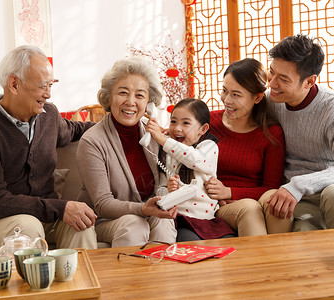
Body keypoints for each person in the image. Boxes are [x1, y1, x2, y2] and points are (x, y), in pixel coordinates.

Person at [0, 45, 97, 250]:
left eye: (51, 85)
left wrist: (118, 125)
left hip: (42, 214)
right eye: (43, 86)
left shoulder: (49, 116)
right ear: (14, 84)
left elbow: (77, 129)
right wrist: (60, 208)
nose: (48, 94)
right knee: (27, 227)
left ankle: (81, 282)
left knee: (82, 224)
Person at [265, 34, 334, 231]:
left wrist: (298, 185)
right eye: (271, 73)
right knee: (303, 235)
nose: (272, 84)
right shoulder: (270, 101)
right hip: (302, 201)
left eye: (283, 79)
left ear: (309, 82)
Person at [76, 57, 177, 247]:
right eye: (123, 93)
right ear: (108, 97)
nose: (130, 102)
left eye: (139, 95)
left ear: (149, 103)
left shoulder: (152, 133)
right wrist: (143, 210)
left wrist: (170, 193)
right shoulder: (92, 141)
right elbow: (103, 204)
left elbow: (161, 184)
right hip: (104, 220)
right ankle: (130, 277)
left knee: (164, 221)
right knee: (134, 224)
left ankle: (164, 275)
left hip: (146, 213)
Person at [204, 58, 290, 236]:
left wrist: (229, 192)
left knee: (277, 201)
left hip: (248, 199)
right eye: (224, 91)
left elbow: (270, 187)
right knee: (249, 209)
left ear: (257, 97)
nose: (226, 100)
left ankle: (281, 260)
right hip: (218, 204)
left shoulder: (272, 133)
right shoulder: (208, 122)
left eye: (236, 94)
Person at [145, 98, 235, 241]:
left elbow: (194, 159)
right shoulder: (167, 153)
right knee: (192, 245)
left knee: (228, 244)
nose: (177, 128)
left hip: (207, 220)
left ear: (203, 129)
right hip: (181, 220)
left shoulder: (209, 147)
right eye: (173, 122)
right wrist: (168, 190)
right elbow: (159, 190)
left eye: (186, 123)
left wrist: (162, 139)